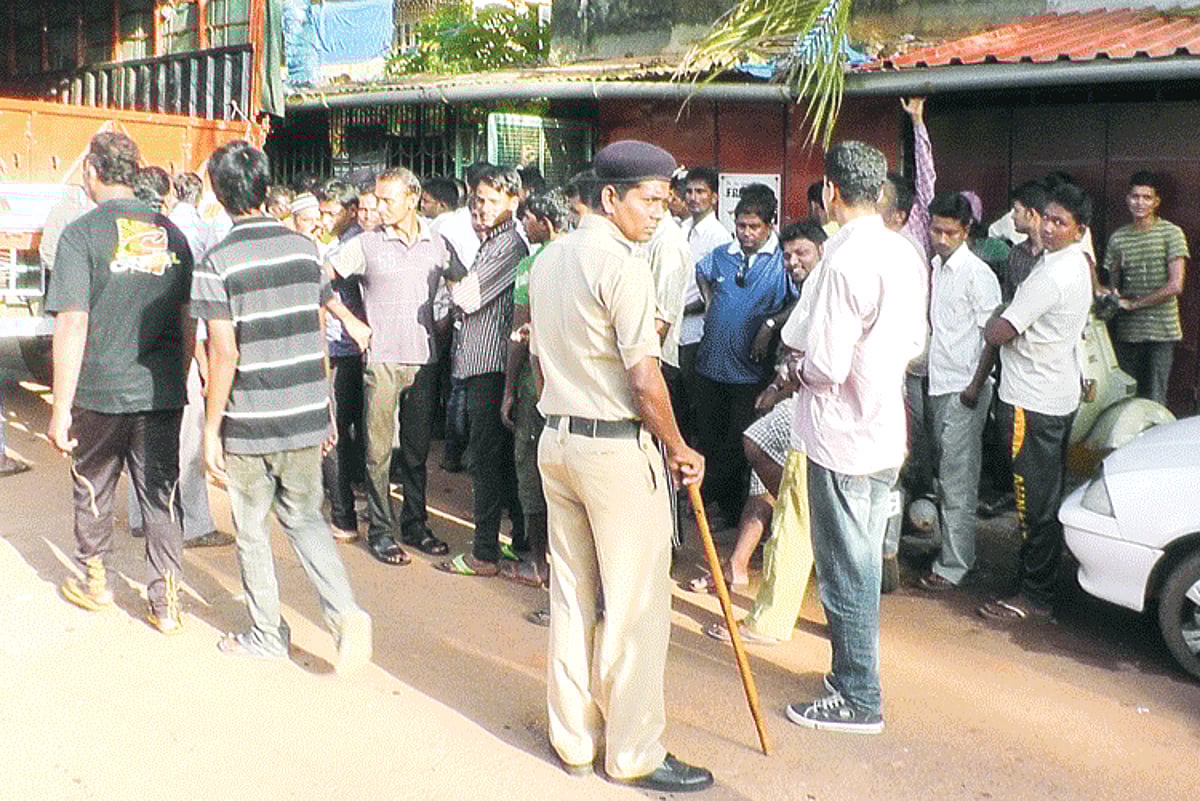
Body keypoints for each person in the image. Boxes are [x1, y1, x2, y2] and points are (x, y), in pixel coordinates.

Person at [529, 139, 712, 792]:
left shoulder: (549, 258)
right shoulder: (624, 266)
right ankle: (633, 752)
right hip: (612, 449)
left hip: (558, 440)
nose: (660, 212)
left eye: (665, 201)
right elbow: (645, 378)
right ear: (610, 197)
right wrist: (679, 445)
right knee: (636, 607)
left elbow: (541, 359)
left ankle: (573, 737)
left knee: (571, 596)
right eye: (650, 199)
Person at [192, 140, 372, 673]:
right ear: (266, 187)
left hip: (250, 421)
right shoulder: (304, 250)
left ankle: (268, 633)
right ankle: (344, 613)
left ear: (220, 195)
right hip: (303, 412)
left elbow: (224, 353)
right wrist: (325, 408)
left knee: (252, 531)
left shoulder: (216, 263)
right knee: (306, 520)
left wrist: (210, 430)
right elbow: (316, 332)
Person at [783, 141, 927, 734]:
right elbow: (914, 343)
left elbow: (826, 364)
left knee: (846, 568)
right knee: (859, 561)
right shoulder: (902, 251)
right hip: (882, 428)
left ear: (831, 192)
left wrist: (796, 370)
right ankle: (852, 674)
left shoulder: (844, 261)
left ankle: (858, 694)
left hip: (841, 435)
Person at [46, 132, 194, 634]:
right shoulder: (172, 235)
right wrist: (177, 377)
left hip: (99, 391)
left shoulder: (81, 235)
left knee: (94, 484)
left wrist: (59, 408)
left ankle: (97, 583)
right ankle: (167, 603)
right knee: (161, 494)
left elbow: (73, 322)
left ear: (92, 171)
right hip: (160, 391)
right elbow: (187, 318)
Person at [977, 182, 1093, 623]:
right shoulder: (1074, 264)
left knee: (1032, 503)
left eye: (1060, 222)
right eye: (1047, 217)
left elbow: (999, 331)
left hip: (1032, 399)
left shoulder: (1052, 275)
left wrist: (993, 319)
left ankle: (1035, 596)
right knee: (1045, 496)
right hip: (1054, 394)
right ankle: (1038, 582)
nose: (1048, 227)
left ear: (1079, 229)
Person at [326, 167, 452, 564]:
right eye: (377, 199)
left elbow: (464, 284)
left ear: (412, 199)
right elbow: (318, 279)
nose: (379, 207)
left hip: (425, 361)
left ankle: (415, 524)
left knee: (415, 453)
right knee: (378, 454)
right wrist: (350, 321)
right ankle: (381, 531)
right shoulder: (366, 244)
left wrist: (448, 319)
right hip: (381, 362)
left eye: (387, 200)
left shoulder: (438, 243)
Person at [439, 165, 529, 576]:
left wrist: (448, 266)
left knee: (486, 460)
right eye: (478, 200)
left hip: (492, 365)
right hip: (485, 362)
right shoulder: (493, 241)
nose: (482, 209)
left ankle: (485, 553)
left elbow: (467, 298)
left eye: (492, 201)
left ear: (514, 201)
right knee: (500, 460)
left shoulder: (506, 244)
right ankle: (509, 543)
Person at [694, 185, 798, 525]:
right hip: (710, 365)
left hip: (750, 371)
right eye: (741, 225)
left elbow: (799, 301)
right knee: (710, 438)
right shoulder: (722, 254)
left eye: (754, 227)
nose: (746, 233)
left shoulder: (781, 261)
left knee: (738, 443)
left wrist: (770, 324)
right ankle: (719, 506)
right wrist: (711, 303)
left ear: (770, 226)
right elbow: (701, 271)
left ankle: (723, 505)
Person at [917, 193, 1001, 592]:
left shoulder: (977, 275)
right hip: (940, 382)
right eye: (936, 230)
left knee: (958, 480)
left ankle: (954, 566)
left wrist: (974, 386)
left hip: (964, 388)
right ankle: (951, 552)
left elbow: (992, 338)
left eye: (949, 232)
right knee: (945, 474)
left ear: (966, 231)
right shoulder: (936, 267)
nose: (941, 238)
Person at [500, 189, 571, 592]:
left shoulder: (532, 266)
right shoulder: (583, 261)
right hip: (575, 391)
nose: (523, 226)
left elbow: (519, 333)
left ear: (544, 222)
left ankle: (537, 563)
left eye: (526, 219)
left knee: (531, 469)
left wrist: (509, 389)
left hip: (536, 386)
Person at [1102, 170, 1189, 406]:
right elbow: (1113, 285)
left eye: (1146, 197)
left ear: (1156, 201)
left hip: (1162, 331)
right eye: (1135, 196)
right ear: (1127, 199)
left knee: (1155, 399)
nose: (1140, 202)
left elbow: (1176, 285)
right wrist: (1113, 294)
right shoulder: (1118, 238)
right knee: (1125, 397)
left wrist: (1134, 304)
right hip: (1128, 332)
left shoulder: (1171, 233)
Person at [676, 167, 733, 441]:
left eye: (700, 192)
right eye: (689, 191)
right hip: (674, 332)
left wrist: (683, 309)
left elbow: (718, 290)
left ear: (714, 197)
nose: (693, 197)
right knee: (677, 405)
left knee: (696, 406)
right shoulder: (681, 229)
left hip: (696, 333)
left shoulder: (719, 237)